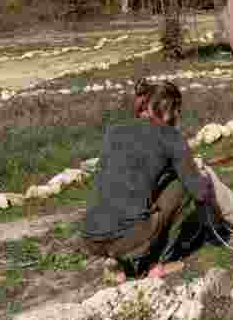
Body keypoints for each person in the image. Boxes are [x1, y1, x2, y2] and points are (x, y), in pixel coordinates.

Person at [82, 80, 221, 280]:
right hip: (127, 237)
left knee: (129, 195)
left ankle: (117, 263)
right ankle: (156, 265)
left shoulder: (113, 131)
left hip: (91, 236)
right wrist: (203, 180)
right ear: (170, 109)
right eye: (177, 110)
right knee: (182, 186)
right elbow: (198, 192)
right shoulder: (170, 136)